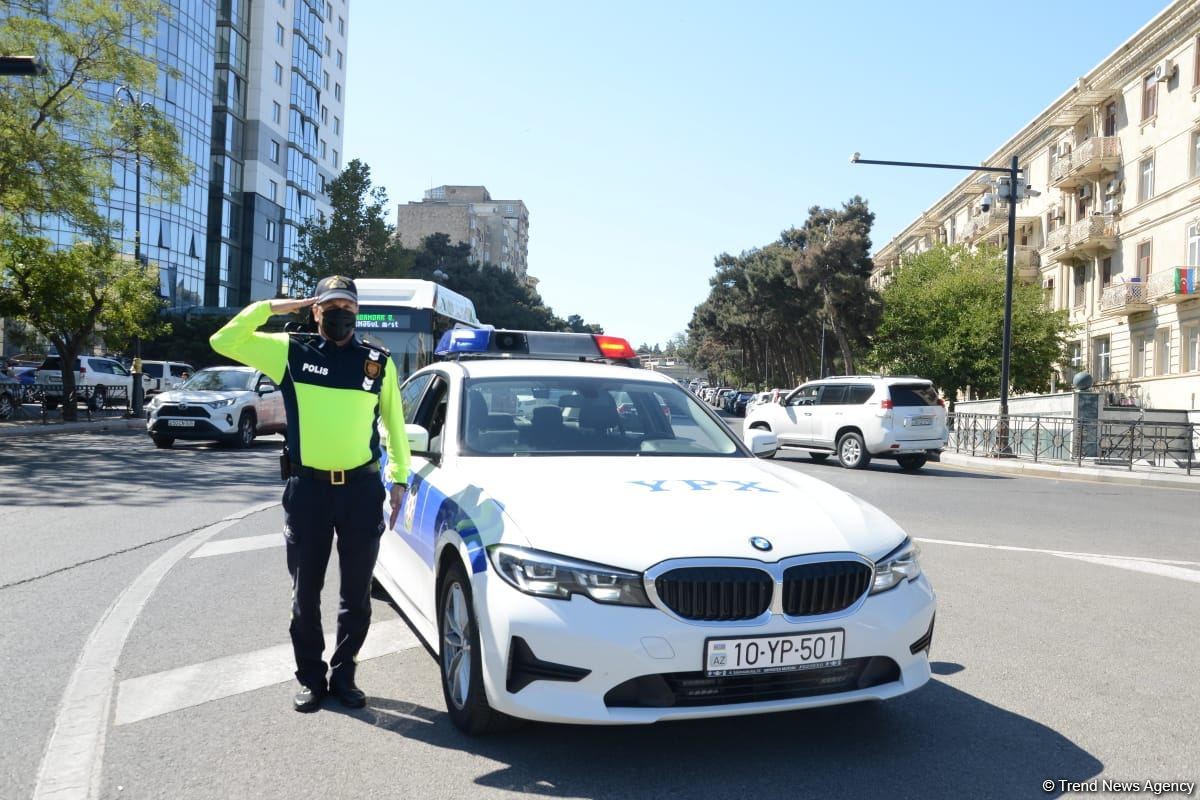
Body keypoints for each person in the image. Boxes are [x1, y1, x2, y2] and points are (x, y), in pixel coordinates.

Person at [210, 276, 410, 713]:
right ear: (316, 310)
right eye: (331, 305)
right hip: (309, 492)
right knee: (305, 594)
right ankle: (311, 678)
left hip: (361, 490)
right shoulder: (290, 352)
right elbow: (224, 339)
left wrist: (399, 479)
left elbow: (394, 425)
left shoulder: (377, 362)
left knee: (356, 594)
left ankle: (345, 674)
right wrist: (277, 306)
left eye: (348, 306)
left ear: (358, 312)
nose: (341, 313)